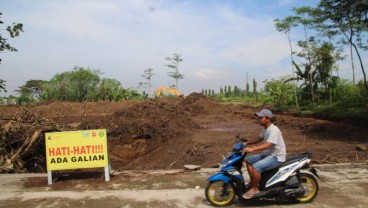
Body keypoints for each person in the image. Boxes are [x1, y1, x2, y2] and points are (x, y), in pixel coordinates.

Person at [242, 109, 286, 199]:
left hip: (276, 157)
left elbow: (269, 144)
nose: (259, 119)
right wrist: (246, 143)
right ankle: (253, 182)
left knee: (256, 167)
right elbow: (259, 138)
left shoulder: (274, 130)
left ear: (268, 118)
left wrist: (252, 149)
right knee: (249, 160)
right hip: (268, 155)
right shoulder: (265, 128)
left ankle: (255, 189)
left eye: (261, 117)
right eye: (259, 117)